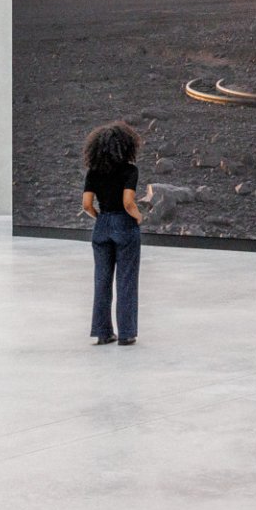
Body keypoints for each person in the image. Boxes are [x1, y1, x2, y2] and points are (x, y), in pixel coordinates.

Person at [80, 121, 143, 347]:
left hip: (102, 223)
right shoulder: (129, 171)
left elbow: (87, 204)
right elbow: (128, 202)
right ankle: (126, 333)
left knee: (102, 280)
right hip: (124, 225)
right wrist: (138, 216)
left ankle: (102, 332)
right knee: (126, 280)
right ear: (126, 146)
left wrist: (100, 217)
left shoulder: (93, 172)